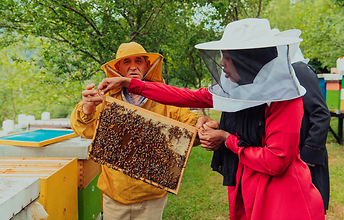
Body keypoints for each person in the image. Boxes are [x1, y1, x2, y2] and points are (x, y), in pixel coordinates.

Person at [98, 19, 325, 220]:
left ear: (247, 60)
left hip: (281, 197)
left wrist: (227, 139)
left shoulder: (284, 99)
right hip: (243, 184)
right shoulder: (234, 89)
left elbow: (275, 161)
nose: (222, 64)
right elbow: (184, 96)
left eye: (227, 57)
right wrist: (130, 84)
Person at [70, 42, 212, 220]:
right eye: (126, 62)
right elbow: (85, 129)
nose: (133, 66)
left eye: (138, 61)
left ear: (147, 66)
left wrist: (199, 121)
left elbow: (185, 118)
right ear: (118, 69)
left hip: (152, 194)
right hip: (115, 193)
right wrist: (86, 109)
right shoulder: (106, 100)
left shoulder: (163, 97)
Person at [275, 29, 331, 212]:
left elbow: (321, 114)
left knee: (310, 205)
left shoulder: (299, 69)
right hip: (293, 154)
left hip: (307, 156)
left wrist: (308, 155)